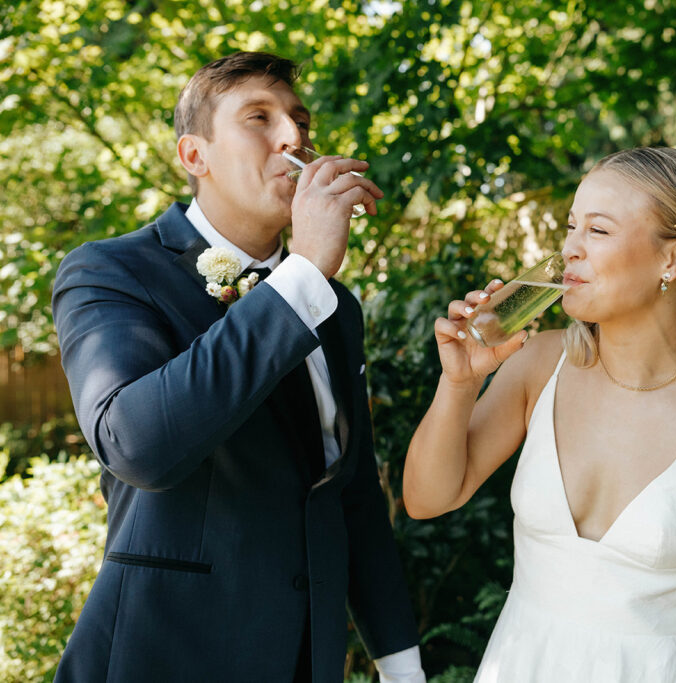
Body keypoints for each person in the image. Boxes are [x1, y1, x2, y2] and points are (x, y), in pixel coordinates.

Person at [52, 52, 424, 682]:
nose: (293, 137)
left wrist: (402, 665)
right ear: (195, 156)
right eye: (260, 117)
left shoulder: (337, 307)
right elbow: (138, 446)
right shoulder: (111, 271)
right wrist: (303, 274)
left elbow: (349, 491)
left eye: (300, 122)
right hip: (165, 656)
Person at [403, 147, 676, 681]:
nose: (570, 248)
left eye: (599, 230)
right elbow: (427, 499)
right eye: (571, 227)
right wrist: (460, 384)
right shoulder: (538, 364)